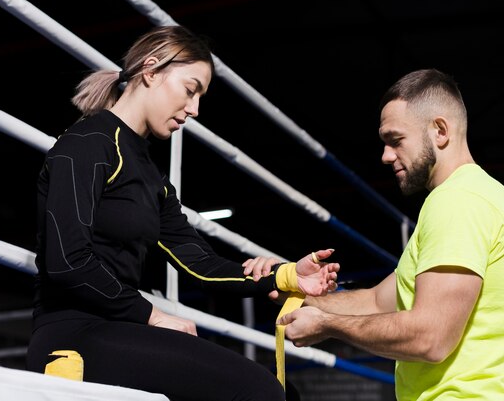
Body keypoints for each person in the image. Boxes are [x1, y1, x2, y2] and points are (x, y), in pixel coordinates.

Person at [26, 25, 340, 401]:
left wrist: (285, 276)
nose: (194, 109)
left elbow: (200, 265)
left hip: (123, 329)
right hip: (73, 335)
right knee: (259, 391)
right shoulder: (87, 143)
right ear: (151, 69)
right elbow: (67, 260)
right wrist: (152, 315)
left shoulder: (151, 176)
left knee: (282, 392)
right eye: (190, 90)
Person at [277, 69, 504, 400]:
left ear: (440, 131)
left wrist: (328, 326)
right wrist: (292, 289)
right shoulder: (476, 196)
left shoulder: (458, 201)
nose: (386, 156)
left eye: (395, 140)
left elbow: (430, 338)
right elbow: (376, 300)